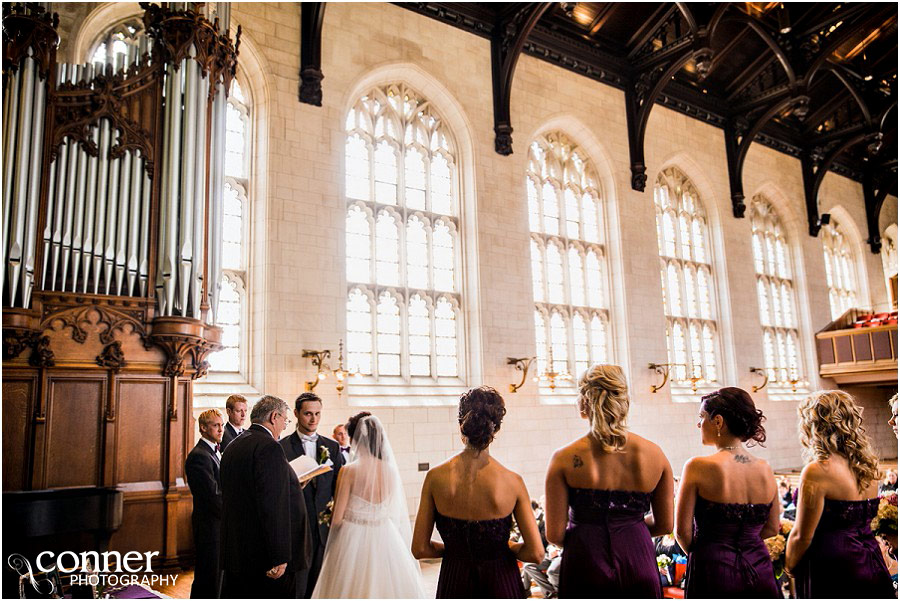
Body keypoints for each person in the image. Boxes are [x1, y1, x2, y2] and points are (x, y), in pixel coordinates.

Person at [544, 364, 673, 598]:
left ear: (584, 402)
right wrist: (628, 529)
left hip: (585, 561)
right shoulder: (655, 455)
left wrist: (591, 535)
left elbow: (554, 535)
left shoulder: (563, 458)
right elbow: (665, 524)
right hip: (638, 557)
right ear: (624, 401)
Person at [413, 386, 544, 598]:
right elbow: (536, 553)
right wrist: (507, 546)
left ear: (461, 425)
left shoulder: (434, 477)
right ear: (496, 428)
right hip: (500, 581)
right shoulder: (513, 481)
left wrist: (456, 551)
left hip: (454, 580)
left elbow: (420, 549)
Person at [785, 390, 894, 598]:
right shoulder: (867, 468)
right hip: (870, 557)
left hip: (833, 566)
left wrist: (789, 567)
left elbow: (801, 535)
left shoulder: (818, 470)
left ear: (813, 425)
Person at [674, 387, 780, 598]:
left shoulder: (697, 466)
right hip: (759, 567)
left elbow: (681, 532)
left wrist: (709, 553)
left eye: (701, 417)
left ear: (718, 421)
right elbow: (772, 528)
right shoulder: (764, 468)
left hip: (714, 570)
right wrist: (746, 544)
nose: (698, 424)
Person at [312, 412, 426, 598]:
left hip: (352, 538)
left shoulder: (348, 471)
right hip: (385, 535)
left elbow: (338, 519)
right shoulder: (390, 471)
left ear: (355, 439)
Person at [220, 395, 297, 598]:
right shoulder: (269, 448)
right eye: (284, 421)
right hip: (260, 554)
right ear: (274, 417)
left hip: (235, 549)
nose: (283, 427)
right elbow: (272, 506)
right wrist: (279, 555)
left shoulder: (233, 446)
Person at [279, 392, 344, 597]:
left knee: (322, 584)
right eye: (308, 413)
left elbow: (339, 485)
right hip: (296, 526)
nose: (313, 419)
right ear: (296, 413)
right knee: (298, 585)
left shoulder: (332, 447)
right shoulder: (282, 447)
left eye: (317, 413)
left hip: (324, 526)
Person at [185, 409, 224, 599]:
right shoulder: (199, 456)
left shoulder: (214, 452)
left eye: (222, 425)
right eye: (216, 425)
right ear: (203, 428)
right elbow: (212, 496)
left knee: (216, 575)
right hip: (209, 525)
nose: (221, 429)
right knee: (208, 575)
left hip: (217, 524)